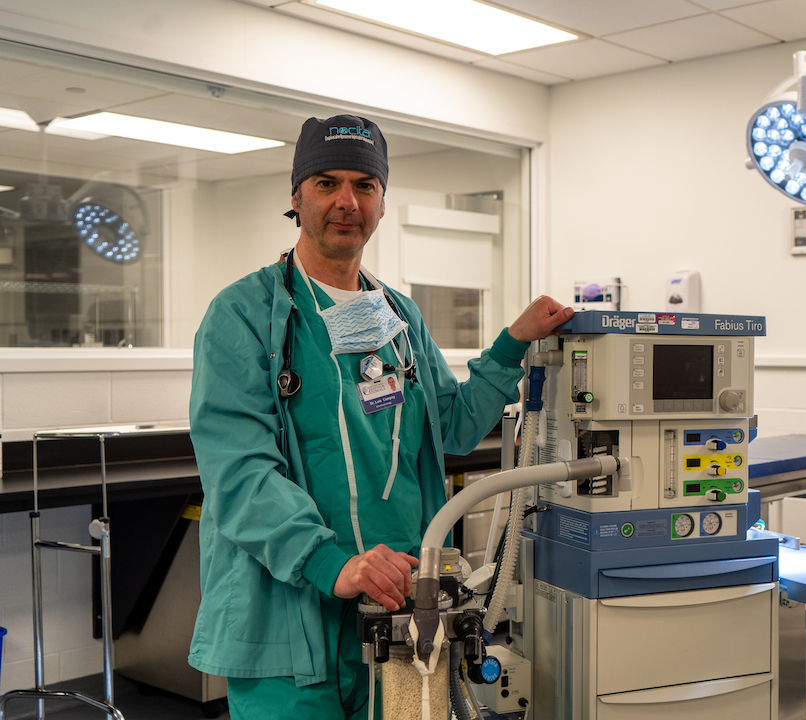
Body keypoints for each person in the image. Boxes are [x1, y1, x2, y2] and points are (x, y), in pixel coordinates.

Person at [187, 114, 572, 718]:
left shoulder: (396, 317)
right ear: (296, 196)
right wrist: (331, 563)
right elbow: (239, 472)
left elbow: (454, 427)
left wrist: (511, 344)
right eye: (326, 182)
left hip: (396, 604)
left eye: (364, 185)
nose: (347, 201)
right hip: (290, 611)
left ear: (382, 202)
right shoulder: (242, 314)